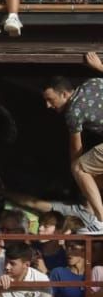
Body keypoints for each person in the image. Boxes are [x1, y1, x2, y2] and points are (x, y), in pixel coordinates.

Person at [41, 74, 103, 223]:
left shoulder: (72, 112)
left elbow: (76, 147)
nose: (47, 105)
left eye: (50, 99)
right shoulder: (92, 81)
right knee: (94, 176)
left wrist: (76, 174)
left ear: (64, 94)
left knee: (79, 168)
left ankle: (100, 220)